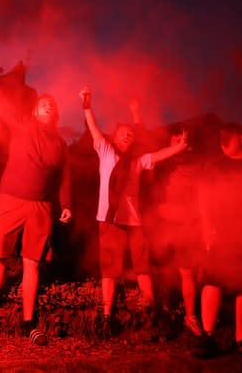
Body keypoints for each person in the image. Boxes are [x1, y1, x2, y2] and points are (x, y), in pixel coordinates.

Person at [0, 44, 72, 346]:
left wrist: (66, 204)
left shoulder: (60, 142)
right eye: (43, 104)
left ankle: (28, 322)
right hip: (11, 200)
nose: (48, 107)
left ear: (55, 114)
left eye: (51, 106)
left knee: (32, 263)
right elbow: (0, 100)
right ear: (35, 109)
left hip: (41, 207)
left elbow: (64, 176)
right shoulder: (21, 126)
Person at [78, 86, 188, 337]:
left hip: (134, 221)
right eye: (123, 134)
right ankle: (106, 317)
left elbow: (158, 155)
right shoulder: (106, 151)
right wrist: (86, 105)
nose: (128, 137)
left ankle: (151, 314)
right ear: (115, 137)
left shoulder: (138, 161)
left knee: (142, 267)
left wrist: (179, 148)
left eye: (130, 135)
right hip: (110, 220)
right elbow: (94, 128)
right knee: (110, 268)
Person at [194, 122, 242, 362]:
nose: (223, 142)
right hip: (220, 233)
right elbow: (203, 195)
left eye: (228, 137)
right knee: (212, 281)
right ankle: (207, 337)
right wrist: (206, 226)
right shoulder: (216, 166)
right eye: (220, 138)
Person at [153, 123, 204, 337]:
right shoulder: (163, 163)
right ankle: (162, 317)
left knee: (189, 272)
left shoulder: (197, 165)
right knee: (161, 272)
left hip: (187, 226)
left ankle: (190, 316)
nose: (182, 144)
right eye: (176, 141)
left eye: (184, 141)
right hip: (162, 224)